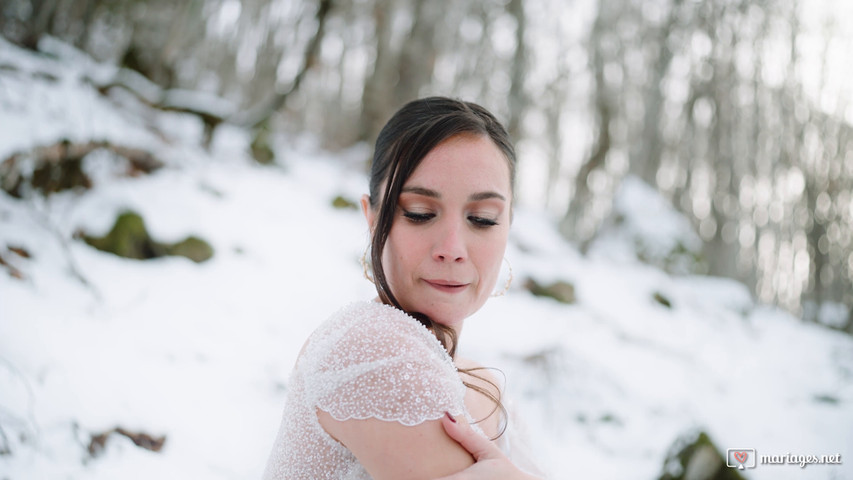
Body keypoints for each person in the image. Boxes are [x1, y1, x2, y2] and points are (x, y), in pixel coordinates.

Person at [262, 97, 542, 480]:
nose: (452, 249)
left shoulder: (482, 379)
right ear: (372, 218)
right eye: (420, 213)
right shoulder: (370, 350)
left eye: (482, 219)